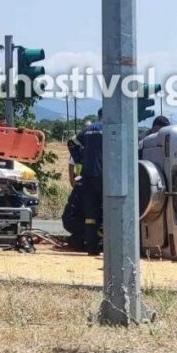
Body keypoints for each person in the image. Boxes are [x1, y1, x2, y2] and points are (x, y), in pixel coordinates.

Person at [72, 109, 104, 256]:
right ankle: (105, 245)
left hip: (87, 175)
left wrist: (79, 159)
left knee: (90, 214)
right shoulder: (111, 127)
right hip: (105, 176)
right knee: (106, 211)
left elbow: (72, 142)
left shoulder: (88, 130)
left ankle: (92, 248)